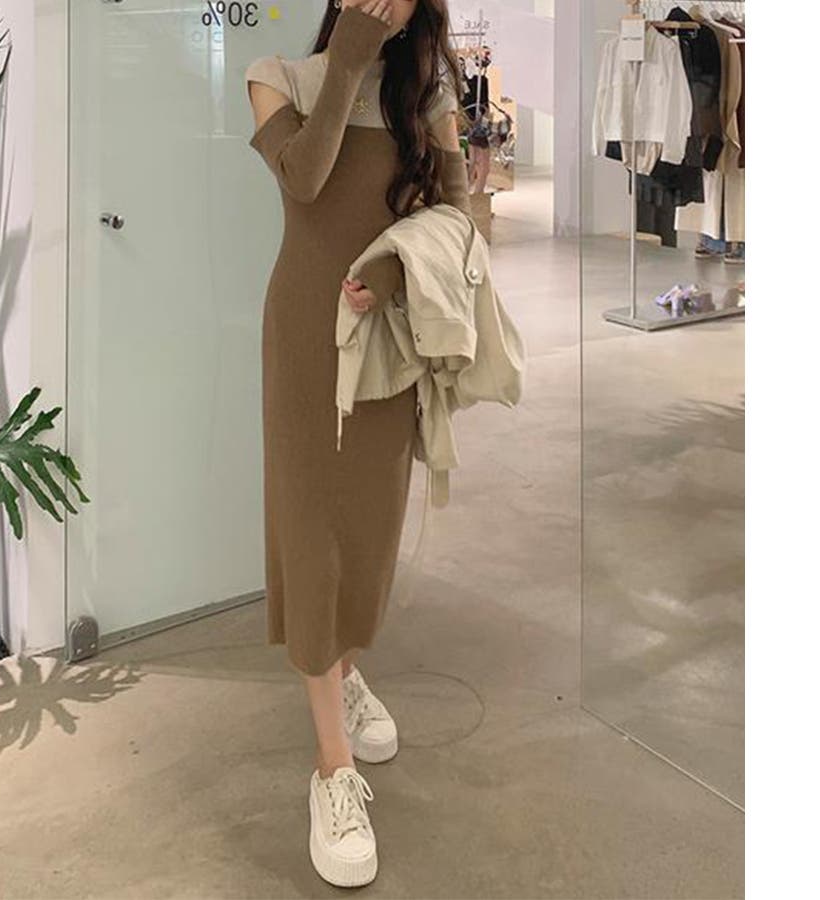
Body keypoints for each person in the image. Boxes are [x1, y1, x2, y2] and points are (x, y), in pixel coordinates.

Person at [245, 0, 471, 887]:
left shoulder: (430, 98)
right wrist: (347, 60)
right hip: (305, 336)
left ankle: (342, 672)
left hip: (387, 339)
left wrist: (393, 269)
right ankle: (331, 769)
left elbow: (458, 219)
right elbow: (305, 182)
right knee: (312, 536)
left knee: (368, 534)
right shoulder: (276, 78)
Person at [462, 45, 492, 194]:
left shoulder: (464, 83)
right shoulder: (481, 81)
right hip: (477, 123)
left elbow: (465, 105)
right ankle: (477, 193)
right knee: (483, 162)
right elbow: (485, 108)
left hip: (470, 123)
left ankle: (468, 190)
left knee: (475, 160)